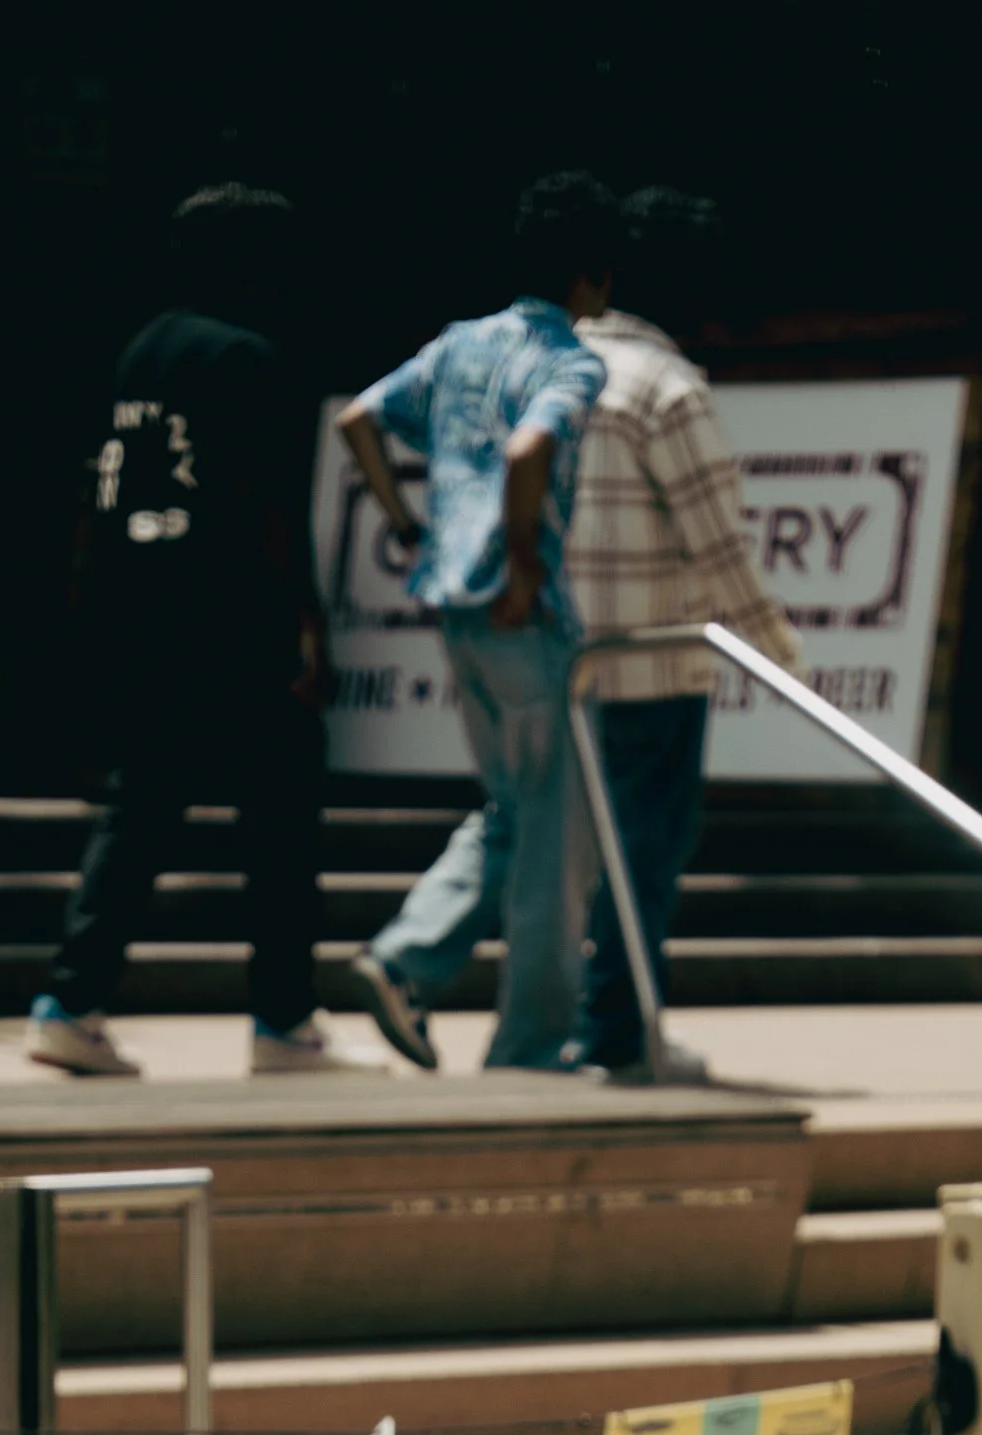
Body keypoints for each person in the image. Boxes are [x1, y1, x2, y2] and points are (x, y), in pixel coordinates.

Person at [30, 183, 376, 1082]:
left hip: (143, 614)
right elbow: (265, 502)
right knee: (282, 826)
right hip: (234, 620)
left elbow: (98, 490)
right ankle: (283, 1022)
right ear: (249, 265)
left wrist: (85, 607)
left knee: (138, 812)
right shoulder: (250, 357)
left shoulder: (139, 351)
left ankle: (71, 1001)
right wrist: (309, 628)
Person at [342, 174, 614, 1073]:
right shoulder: (572, 359)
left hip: (451, 604)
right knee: (554, 830)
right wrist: (526, 564)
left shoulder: (459, 345)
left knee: (512, 807)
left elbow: (359, 420)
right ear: (588, 278)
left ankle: (406, 958)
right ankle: (529, 1044)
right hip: (518, 609)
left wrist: (402, 519)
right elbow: (532, 446)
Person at [564, 189, 802, 1085]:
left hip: (559, 653)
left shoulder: (557, 370)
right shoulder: (666, 387)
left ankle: (570, 1026)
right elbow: (721, 543)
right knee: (645, 856)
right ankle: (618, 1033)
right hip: (654, 662)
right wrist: (779, 654)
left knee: (567, 856)